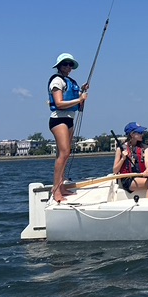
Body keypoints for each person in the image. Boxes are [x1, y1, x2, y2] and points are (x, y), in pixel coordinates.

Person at [48, 52, 89, 203]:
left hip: (69, 120)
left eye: (70, 64)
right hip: (59, 120)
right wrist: (80, 98)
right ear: (59, 66)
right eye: (65, 64)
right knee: (64, 153)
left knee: (65, 153)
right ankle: (56, 190)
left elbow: (73, 98)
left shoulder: (69, 81)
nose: (68, 67)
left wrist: (82, 91)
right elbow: (59, 103)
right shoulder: (57, 81)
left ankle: (62, 185)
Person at [113, 122, 148, 198]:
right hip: (128, 180)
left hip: (141, 176)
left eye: (142, 132)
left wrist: (147, 170)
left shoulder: (144, 147)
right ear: (132, 134)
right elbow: (115, 170)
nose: (142, 134)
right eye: (139, 132)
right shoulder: (120, 149)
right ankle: (147, 204)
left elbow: (147, 161)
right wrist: (123, 158)